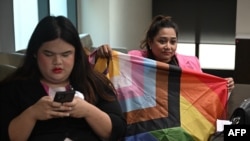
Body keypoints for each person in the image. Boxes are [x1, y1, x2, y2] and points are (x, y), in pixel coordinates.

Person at [0, 15, 126, 141]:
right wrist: (32, 114)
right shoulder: (14, 88)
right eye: (48, 54)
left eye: (66, 54)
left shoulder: (95, 83)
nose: (57, 62)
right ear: (34, 53)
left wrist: (88, 111)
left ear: (76, 54)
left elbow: (118, 131)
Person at [95, 15, 235, 92]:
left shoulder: (191, 63)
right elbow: (109, 78)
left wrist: (224, 84)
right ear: (150, 42)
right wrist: (102, 55)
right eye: (162, 41)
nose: (168, 47)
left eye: (173, 42)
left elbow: (202, 90)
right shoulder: (134, 59)